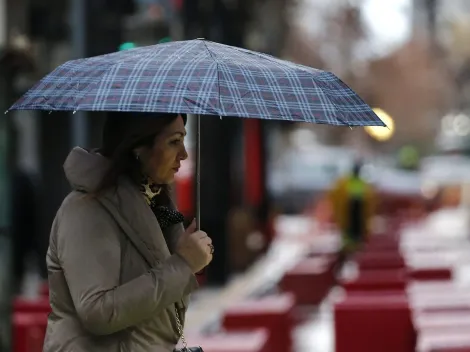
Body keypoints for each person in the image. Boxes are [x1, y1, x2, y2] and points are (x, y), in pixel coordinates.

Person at [43, 112, 213, 352]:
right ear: (138, 147)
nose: (184, 154)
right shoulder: (87, 211)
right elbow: (98, 311)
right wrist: (183, 264)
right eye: (174, 141)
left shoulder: (156, 206)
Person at [329, 160, 376, 254]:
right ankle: (349, 247)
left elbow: (370, 197)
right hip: (350, 210)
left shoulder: (360, 183)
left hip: (358, 209)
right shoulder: (345, 182)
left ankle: (355, 247)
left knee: (356, 231)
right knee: (349, 231)